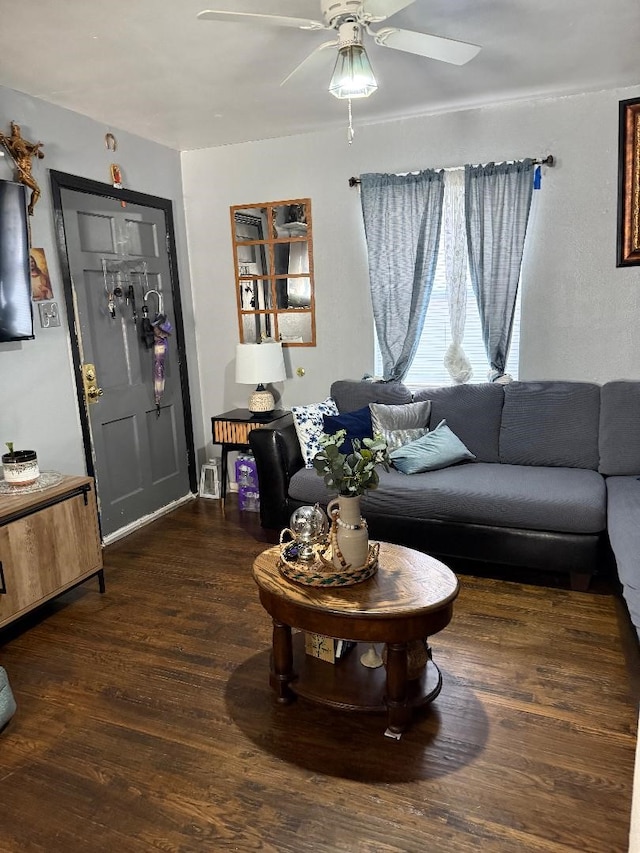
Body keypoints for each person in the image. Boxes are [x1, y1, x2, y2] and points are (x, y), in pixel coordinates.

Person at [0, 122, 45, 215]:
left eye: (16, 129)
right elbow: (8, 146)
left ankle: (30, 207)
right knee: (35, 190)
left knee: (35, 191)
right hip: (23, 174)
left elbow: (38, 153)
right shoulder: (14, 144)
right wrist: (3, 137)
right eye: (13, 129)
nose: (15, 131)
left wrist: (37, 149)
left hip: (28, 173)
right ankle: (30, 208)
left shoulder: (25, 145)